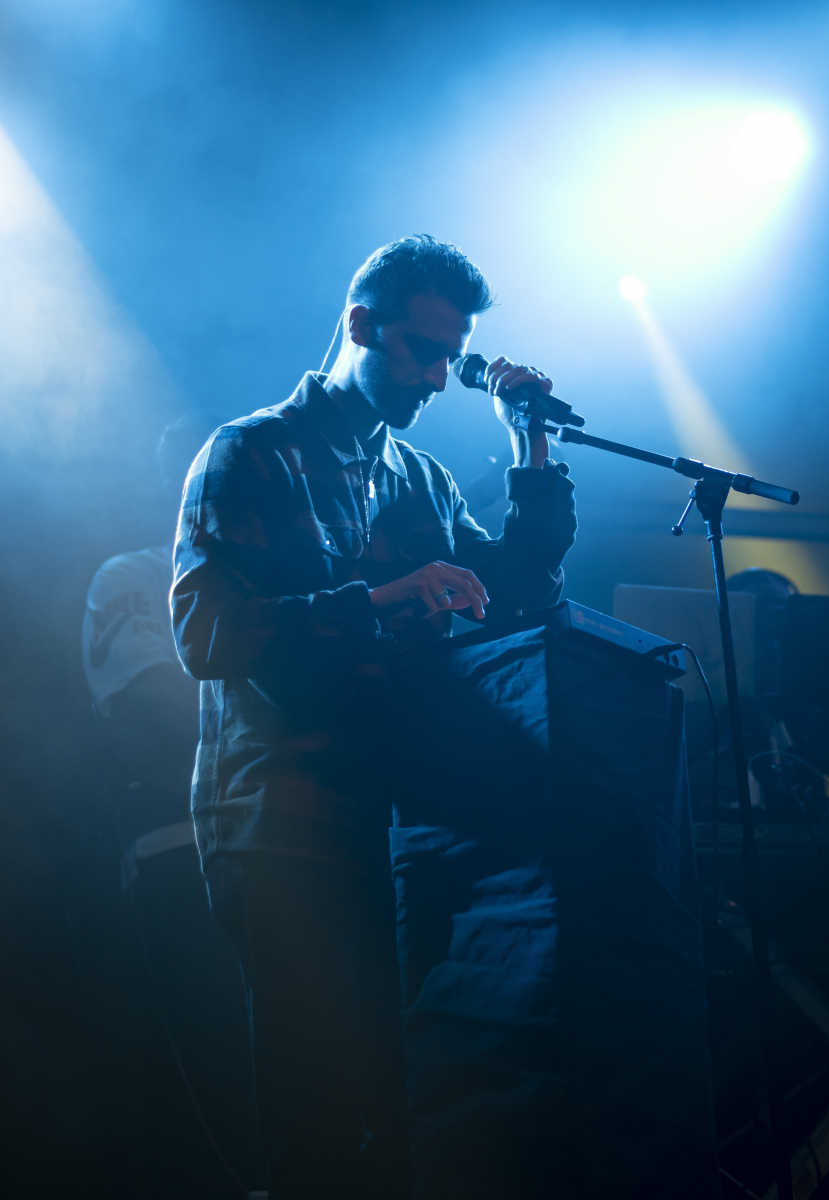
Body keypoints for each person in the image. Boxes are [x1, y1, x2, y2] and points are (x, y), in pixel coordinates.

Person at [171, 235, 578, 1199]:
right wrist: (386, 599)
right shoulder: (253, 450)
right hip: (288, 821)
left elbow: (520, 598)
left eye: (451, 357)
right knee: (317, 1113)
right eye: (423, 350)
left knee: (409, 1111)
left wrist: (531, 442)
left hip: (399, 833)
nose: (438, 378)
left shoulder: (421, 479)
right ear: (360, 325)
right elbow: (209, 635)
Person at [83, 417, 266, 1197]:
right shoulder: (134, 574)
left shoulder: (282, 587)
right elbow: (146, 717)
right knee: (219, 1082)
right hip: (182, 852)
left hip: (283, 847)